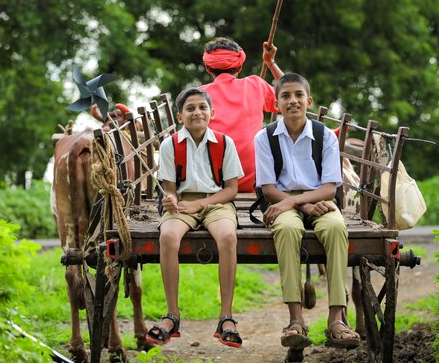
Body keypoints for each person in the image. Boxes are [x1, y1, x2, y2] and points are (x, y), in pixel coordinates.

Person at [254, 73, 361, 349]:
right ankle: (296, 320)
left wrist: (305, 202)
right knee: (288, 228)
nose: (293, 101)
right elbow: (268, 189)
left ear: (308, 100)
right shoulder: (264, 137)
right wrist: (300, 204)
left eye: (298, 95)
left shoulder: (324, 135)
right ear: (276, 104)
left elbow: (329, 188)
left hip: (320, 200)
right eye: (286, 96)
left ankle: (336, 319)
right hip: (281, 200)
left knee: (337, 228)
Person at [146, 88, 245, 348]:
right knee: (167, 236)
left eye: (202, 107)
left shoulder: (225, 143)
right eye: (190, 108)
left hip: (216, 202)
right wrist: (170, 199)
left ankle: (226, 316)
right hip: (182, 202)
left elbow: (232, 189)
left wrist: (201, 203)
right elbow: (169, 188)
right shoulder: (170, 144)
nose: (197, 112)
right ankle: (172, 315)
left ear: (212, 113)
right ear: (180, 116)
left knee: (227, 237)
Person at [200, 37, 284, 192]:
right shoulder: (255, 84)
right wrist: (270, 62)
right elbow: (290, 94)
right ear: (239, 67)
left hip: (212, 183)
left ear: (207, 67)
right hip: (254, 181)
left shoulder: (200, 95)